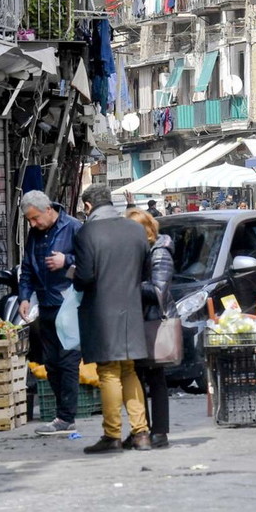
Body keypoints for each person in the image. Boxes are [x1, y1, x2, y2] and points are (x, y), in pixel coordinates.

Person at [74, 185, 152, 453]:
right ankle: (141, 433)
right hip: (131, 308)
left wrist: (68, 271)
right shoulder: (135, 229)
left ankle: (112, 435)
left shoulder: (87, 232)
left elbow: (84, 277)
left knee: (108, 371)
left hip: (101, 312)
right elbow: (145, 272)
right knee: (129, 369)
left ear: (87, 206)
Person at [17, 190, 84, 436]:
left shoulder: (74, 228)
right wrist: (24, 297)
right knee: (52, 363)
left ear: (48, 209)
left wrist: (66, 260)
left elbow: (90, 260)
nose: (33, 224)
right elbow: (27, 269)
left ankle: (66, 417)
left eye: (35, 218)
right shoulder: (34, 235)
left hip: (69, 305)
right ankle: (62, 415)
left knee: (67, 362)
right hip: (45, 306)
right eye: (29, 221)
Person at [124, 208, 174, 448]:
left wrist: (128, 284)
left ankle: (160, 431)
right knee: (136, 375)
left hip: (153, 320)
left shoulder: (160, 251)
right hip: (138, 319)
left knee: (155, 376)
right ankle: (141, 428)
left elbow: (158, 291)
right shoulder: (138, 252)